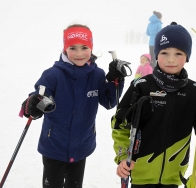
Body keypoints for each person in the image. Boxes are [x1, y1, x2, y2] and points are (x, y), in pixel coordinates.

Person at [111, 22, 196, 188]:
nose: (171, 59)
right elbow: (120, 125)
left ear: (187, 57)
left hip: (174, 177)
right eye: (164, 52)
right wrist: (122, 157)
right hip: (141, 174)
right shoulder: (141, 86)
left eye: (178, 53)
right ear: (156, 55)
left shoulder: (194, 91)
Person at [19, 24, 127, 188]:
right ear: (65, 48)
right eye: (73, 48)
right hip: (54, 145)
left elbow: (109, 102)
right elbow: (36, 98)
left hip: (82, 146)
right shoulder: (53, 75)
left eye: (84, 47)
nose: (79, 54)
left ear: (91, 48)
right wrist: (32, 103)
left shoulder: (96, 75)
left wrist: (115, 81)